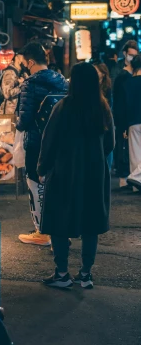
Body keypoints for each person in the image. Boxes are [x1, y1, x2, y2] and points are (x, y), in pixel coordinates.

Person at [38, 62, 114, 289]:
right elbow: (110, 144)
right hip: (95, 173)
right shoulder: (102, 108)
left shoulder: (63, 107)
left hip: (65, 172)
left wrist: (42, 168)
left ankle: (62, 273)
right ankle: (86, 274)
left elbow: (48, 141)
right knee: (91, 222)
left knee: (59, 219)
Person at [16, 42, 68, 246]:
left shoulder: (30, 83)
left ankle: (42, 232)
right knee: (57, 185)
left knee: (35, 183)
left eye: (23, 63)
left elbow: (24, 120)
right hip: (60, 142)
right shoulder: (63, 81)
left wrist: (18, 123)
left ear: (30, 62)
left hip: (37, 142)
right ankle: (60, 229)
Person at [112, 39, 139, 187]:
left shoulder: (131, 76)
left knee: (132, 151)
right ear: (124, 54)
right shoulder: (120, 74)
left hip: (131, 118)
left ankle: (133, 179)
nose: (132, 58)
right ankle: (127, 178)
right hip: (124, 118)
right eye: (130, 55)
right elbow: (119, 101)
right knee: (125, 148)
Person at [126, 53, 141, 190]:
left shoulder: (129, 82)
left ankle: (136, 185)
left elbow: (126, 104)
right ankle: (136, 177)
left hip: (133, 121)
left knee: (135, 153)